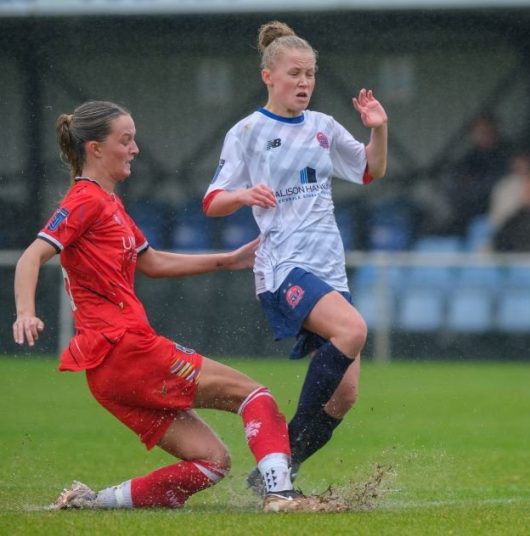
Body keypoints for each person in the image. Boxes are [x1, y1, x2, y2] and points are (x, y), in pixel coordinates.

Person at [12, 101, 323, 513]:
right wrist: (25, 312)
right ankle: (281, 495)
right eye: (126, 140)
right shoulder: (84, 200)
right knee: (254, 396)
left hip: (108, 372)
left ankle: (92, 502)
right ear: (95, 149)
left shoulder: (110, 204)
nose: (136, 148)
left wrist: (226, 260)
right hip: (125, 348)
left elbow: (152, 262)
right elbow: (31, 256)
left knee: (212, 462)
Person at [201, 21, 388, 493]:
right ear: (268, 76)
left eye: (310, 74)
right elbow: (212, 201)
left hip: (328, 266)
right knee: (354, 329)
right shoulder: (247, 132)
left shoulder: (323, 127)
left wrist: (379, 130)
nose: (304, 83)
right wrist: (245, 194)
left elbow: (370, 170)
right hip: (284, 265)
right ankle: (279, 470)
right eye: (294, 73)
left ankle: (275, 473)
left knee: (344, 396)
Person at [442, 112, 511, 236]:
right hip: (467, 214)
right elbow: (455, 186)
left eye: (488, 131)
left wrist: (475, 186)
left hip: (499, 215)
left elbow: (500, 185)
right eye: (479, 132)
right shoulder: (468, 158)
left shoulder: (507, 156)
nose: (484, 136)